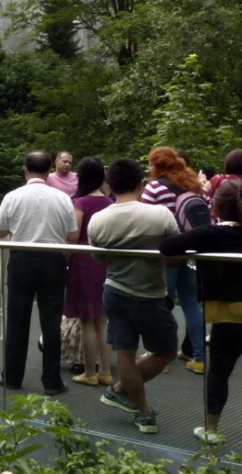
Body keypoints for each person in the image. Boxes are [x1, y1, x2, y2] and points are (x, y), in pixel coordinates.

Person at [89, 158, 179, 435]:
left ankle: (135, 405)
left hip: (114, 290)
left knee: (125, 354)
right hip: (150, 294)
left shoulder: (99, 220)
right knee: (166, 351)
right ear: (141, 183)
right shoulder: (160, 215)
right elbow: (175, 252)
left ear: (111, 186)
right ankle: (130, 401)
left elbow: (97, 256)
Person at [161, 180, 242, 443]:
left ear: (216, 207)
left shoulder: (210, 234)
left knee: (219, 370)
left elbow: (167, 247)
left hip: (228, 317)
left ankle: (211, 429)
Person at [0, 151, 79, 395]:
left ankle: (12, 376)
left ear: (25, 170)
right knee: (51, 321)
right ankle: (52, 382)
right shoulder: (62, 198)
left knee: (17, 319)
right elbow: (72, 236)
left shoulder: (13, 196)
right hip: (53, 260)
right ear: (49, 170)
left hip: (21, 260)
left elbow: (0, 230)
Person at [141, 146, 207, 373]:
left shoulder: (154, 188)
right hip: (191, 254)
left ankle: (162, 355)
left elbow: (146, 219)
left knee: (162, 305)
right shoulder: (195, 186)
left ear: (157, 166)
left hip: (165, 253)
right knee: (192, 304)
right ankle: (200, 357)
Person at [63, 157, 114, 386]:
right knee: (102, 318)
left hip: (83, 261)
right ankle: (106, 371)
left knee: (86, 320)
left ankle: (90, 372)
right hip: (104, 261)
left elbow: (73, 237)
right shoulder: (110, 203)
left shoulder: (80, 203)